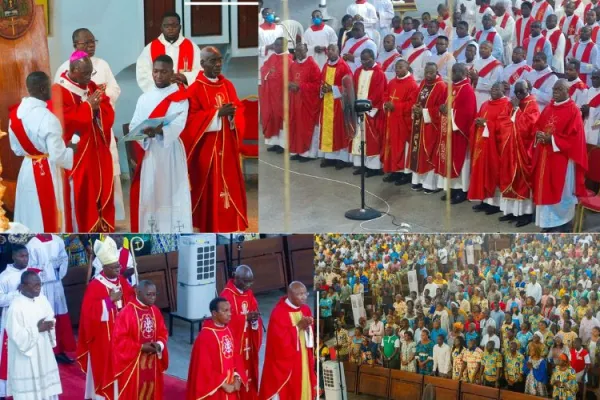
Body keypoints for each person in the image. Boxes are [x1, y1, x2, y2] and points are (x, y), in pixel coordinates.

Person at [54, 28, 124, 221]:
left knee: (105, 178)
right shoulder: (61, 79)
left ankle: (104, 219)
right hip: (78, 147)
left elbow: (111, 93)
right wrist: (88, 107)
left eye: (93, 41)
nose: (89, 77)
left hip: (98, 139)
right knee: (82, 190)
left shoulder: (101, 67)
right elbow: (62, 117)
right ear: (73, 70)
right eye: (85, 43)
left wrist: (99, 102)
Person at [182, 46, 248, 232]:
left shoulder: (228, 85)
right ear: (202, 64)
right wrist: (216, 114)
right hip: (208, 151)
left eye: (220, 60)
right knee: (210, 190)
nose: (218, 64)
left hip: (228, 148)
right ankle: (210, 225)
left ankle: (230, 224)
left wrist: (234, 115)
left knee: (230, 190)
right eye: (213, 61)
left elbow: (240, 108)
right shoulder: (195, 89)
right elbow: (190, 121)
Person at [129, 55, 192, 233]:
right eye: (155, 71)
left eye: (164, 72)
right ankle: (153, 230)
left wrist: (160, 131)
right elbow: (134, 125)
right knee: (152, 191)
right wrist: (145, 133)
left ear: (172, 73)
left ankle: (175, 229)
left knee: (173, 193)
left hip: (170, 151)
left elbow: (179, 123)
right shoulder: (144, 98)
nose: (158, 76)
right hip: (151, 153)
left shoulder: (179, 97)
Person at [8, 71, 74, 233]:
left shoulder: (15, 115)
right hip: (47, 170)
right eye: (49, 85)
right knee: (50, 213)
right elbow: (58, 155)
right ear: (43, 89)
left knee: (29, 212)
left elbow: (16, 149)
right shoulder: (47, 118)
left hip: (27, 168)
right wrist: (72, 149)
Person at [77, 236, 135, 400]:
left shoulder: (122, 281)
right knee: (105, 369)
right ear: (104, 267)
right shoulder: (96, 285)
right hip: (103, 338)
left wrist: (135, 293)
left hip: (121, 336)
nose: (118, 269)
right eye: (114, 267)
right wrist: (110, 301)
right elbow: (89, 315)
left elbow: (130, 301)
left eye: (119, 266)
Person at [532, 79, 588, 232]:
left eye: (558, 89)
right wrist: (538, 134)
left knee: (561, 190)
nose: (554, 92)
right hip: (545, 156)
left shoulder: (573, 111)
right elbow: (539, 124)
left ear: (567, 91)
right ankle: (547, 222)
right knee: (545, 188)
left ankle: (562, 222)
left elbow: (575, 139)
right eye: (554, 89)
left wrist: (552, 139)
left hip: (561, 158)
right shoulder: (549, 107)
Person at [6, 271, 62, 400]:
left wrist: (50, 324)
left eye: (40, 284)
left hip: (43, 349)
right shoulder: (16, 307)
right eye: (35, 285)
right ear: (23, 286)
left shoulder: (41, 299)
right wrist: (37, 329)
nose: (39, 287)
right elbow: (16, 335)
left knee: (46, 389)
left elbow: (50, 316)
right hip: (26, 356)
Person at [259, 282, 315, 399]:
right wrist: (298, 327)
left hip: (303, 357)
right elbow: (278, 343)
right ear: (289, 294)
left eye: (305, 293)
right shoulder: (279, 313)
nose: (304, 297)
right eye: (300, 294)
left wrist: (309, 327)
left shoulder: (305, 309)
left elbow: (310, 335)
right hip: (287, 362)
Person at [112, 280, 168, 399]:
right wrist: (141, 347)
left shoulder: (155, 310)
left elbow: (163, 331)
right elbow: (119, 340)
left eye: (154, 294)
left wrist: (159, 344)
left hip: (152, 363)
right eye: (149, 294)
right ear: (138, 292)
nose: (153, 298)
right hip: (133, 365)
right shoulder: (127, 313)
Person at [26, 234, 75, 364]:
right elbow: (30, 267)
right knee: (45, 316)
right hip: (42, 285)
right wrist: (47, 269)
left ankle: (59, 350)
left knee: (59, 316)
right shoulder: (32, 244)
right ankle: (45, 353)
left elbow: (64, 258)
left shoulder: (58, 240)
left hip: (57, 284)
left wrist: (58, 266)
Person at [186, 297, 247, 399]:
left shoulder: (228, 330)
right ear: (214, 313)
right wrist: (224, 384)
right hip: (215, 390)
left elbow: (235, 356)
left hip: (231, 387)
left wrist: (237, 378)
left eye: (230, 310)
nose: (230, 313)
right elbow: (203, 368)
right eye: (225, 311)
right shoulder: (205, 336)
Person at [497, 81, 539, 225]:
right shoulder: (512, 102)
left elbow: (529, 127)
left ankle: (525, 214)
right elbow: (502, 120)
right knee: (508, 177)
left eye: (522, 91)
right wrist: (513, 110)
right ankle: (511, 212)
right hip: (509, 148)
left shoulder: (532, 105)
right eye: (516, 92)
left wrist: (516, 109)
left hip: (523, 150)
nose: (519, 95)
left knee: (521, 181)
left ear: (529, 89)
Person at [436, 63, 477, 204]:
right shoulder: (451, 87)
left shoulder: (467, 90)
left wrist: (450, 113)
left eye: (453, 72)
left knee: (460, 162)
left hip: (459, 133)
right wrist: (441, 109)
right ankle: (452, 189)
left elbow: (468, 113)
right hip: (447, 130)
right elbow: (443, 103)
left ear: (462, 73)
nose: (451, 75)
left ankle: (461, 191)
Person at [219, 265, 263, 399]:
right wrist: (245, 318)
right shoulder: (226, 295)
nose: (249, 285)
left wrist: (254, 320)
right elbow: (224, 322)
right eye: (246, 281)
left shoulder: (248, 293)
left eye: (251, 281)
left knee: (250, 375)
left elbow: (255, 314)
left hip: (248, 342)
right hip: (236, 346)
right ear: (236, 278)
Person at [468, 82, 511, 214]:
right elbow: (476, 118)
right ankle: (484, 200)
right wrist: (477, 123)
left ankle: (495, 204)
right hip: (481, 146)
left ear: (504, 90)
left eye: (497, 89)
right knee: (481, 172)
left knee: (493, 173)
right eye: (492, 88)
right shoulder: (485, 104)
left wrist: (487, 123)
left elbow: (505, 126)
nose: (493, 91)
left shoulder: (506, 105)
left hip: (495, 147)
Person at [136, 12, 202, 93]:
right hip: (159, 97)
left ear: (180, 27)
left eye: (174, 26)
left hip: (185, 96)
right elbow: (142, 74)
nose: (170, 29)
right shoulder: (150, 48)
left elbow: (202, 71)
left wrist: (185, 77)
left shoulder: (192, 47)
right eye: (166, 26)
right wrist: (162, 84)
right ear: (161, 28)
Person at [407, 63, 447, 192]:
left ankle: (430, 185)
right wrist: (414, 107)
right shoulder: (424, 82)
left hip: (431, 126)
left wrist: (424, 111)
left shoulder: (441, 86)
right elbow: (416, 98)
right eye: (426, 73)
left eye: (431, 73)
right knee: (416, 152)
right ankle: (417, 181)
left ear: (437, 72)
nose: (428, 75)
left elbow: (441, 108)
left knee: (427, 153)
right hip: (418, 123)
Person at [350, 48, 387, 177]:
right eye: (362, 60)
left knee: (372, 139)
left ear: (373, 58)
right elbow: (353, 89)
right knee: (359, 138)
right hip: (359, 111)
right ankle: (362, 165)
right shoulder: (358, 71)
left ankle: (374, 167)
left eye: (366, 59)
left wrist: (367, 107)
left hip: (371, 112)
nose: (364, 62)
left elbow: (379, 93)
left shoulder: (379, 73)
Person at [381, 59, 418, 185]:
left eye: (401, 67)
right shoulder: (392, 82)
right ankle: (394, 171)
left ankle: (404, 174)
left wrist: (395, 106)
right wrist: (386, 103)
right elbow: (385, 95)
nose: (397, 69)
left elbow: (412, 103)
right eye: (396, 67)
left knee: (402, 148)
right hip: (391, 119)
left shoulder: (412, 84)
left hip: (403, 121)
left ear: (407, 68)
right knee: (391, 146)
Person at [0, 245, 29, 398]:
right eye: (21, 256)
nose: (25, 259)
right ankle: (6, 390)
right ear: (13, 257)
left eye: (27, 256)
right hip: (11, 320)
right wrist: (18, 292)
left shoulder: (31, 273)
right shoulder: (4, 276)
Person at [318, 44, 353, 169]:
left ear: (338, 51)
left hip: (339, 103)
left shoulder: (344, 66)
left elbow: (349, 85)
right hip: (327, 102)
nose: (330, 52)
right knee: (327, 129)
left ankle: (341, 159)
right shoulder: (326, 65)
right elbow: (321, 81)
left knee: (339, 130)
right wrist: (323, 88)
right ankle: (329, 157)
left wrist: (332, 88)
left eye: (333, 50)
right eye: (329, 50)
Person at [289, 43, 321, 162]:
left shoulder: (313, 65)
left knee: (306, 126)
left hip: (308, 102)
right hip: (295, 101)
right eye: (297, 51)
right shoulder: (293, 66)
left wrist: (300, 86)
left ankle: (307, 154)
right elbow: (290, 80)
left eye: (301, 51)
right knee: (295, 126)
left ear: (307, 50)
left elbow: (318, 85)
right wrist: (289, 85)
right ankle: (297, 151)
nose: (299, 53)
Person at [261, 37, 293, 153]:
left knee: (281, 119)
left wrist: (272, 75)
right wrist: (269, 74)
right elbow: (264, 68)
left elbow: (285, 76)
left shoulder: (288, 60)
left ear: (285, 46)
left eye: (279, 45)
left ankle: (283, 145)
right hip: (271, 94)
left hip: (281, 95)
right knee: (272, 117)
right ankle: (274, 143)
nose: (276, 47)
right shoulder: (272, 56)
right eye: (275, 45)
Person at [471, 41, 503, 110]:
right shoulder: (476, 62)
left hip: (486, 96)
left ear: (491, 50)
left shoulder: (496, 65)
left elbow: (494, 85)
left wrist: (477, 79)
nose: (482, 50)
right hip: (473, 94)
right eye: (481, 48)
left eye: (485, 48)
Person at [582, 70, 600, 145]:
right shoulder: (590, 90)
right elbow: (585, 104)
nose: (593, 80)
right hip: (587, 121)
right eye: (592, 78)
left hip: (598, 124)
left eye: (596, 78)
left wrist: (590, 110)